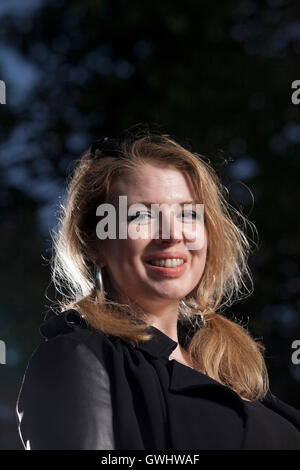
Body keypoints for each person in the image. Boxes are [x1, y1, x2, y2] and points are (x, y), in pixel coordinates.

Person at [16, 130, 300, 450]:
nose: (171, 235)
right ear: (93, 243)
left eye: (188, 213)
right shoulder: (75, 358)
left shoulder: (231, 365)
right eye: (141, 215)